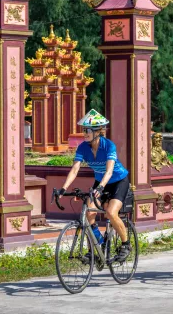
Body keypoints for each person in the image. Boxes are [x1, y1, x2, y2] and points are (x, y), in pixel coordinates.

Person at [59, 109, 131, 262]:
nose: (85, 133)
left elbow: (110, 170)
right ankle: (97, 245)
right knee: (88, 213)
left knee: (111, 213)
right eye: (84, 129)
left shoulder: (109, 146)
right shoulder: (83, 147)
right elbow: (75, 169)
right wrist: (63, 188)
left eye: (88, 130)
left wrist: (100, 187)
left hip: (118, 181)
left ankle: (126, 244)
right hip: (100, 182)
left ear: (98, 131)